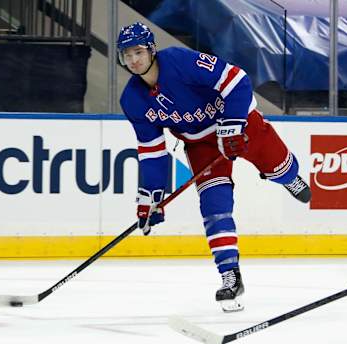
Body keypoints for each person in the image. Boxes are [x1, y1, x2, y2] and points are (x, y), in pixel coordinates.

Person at [117, 22, 311, 312]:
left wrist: (231, 125)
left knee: (280, 167)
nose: (133, 60)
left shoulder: (179, 61)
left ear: (151, 49)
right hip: (201, 147)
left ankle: (287, 178)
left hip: (239, 125)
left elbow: (236, 79)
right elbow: (152, 150)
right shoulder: (132, 99)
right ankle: (230, 274)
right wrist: (151, 197)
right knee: (213, 205)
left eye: (138, 52)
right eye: (126, 55)